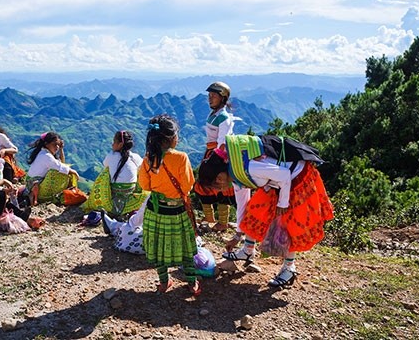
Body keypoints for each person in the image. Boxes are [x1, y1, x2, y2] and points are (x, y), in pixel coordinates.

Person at [197, 134, 334, 287]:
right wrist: (237, 236)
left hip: (296, 178)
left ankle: (289, 269)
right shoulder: (235, 173)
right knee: (255, 209)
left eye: (215, 186)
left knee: (290, 226)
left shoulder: (248, 168)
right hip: (276, 182)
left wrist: (283, 203)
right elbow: (242, 203)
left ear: (219, 177)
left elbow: (284, 175)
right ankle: (248, 250)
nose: (218, 190)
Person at [138, 114, 201, 296]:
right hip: (177, 211)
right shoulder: (181, 158)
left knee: (158, 247)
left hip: (155, 211)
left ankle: (164, 282)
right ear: (172, 138)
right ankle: (191, 282)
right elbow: (188, 186)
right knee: (186, 248)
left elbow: (145, 185)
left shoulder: (149, 158)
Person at [193, 82, 249, 232]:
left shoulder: (223, 117)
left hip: (219, 155)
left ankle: (222, 222)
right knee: (204, 184)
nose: (210, 99)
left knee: (220, 187)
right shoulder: (215, 114)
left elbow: (222, 141)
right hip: (212, 152)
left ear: (222, 98)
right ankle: (210, 217)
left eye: (214, 96)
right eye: (209, 96)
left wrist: (216, 162)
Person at [83, 130, 148, 216]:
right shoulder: (135, 157)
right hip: (131, 197)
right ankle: (131, 209)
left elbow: (105, 164)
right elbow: (142, 166)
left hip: (112, 200)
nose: (112, 144)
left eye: (114, 142)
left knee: (106, 172)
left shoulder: (111, 156)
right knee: (140, 171)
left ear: (120, 144)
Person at [26, 132, 79, 205]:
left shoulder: (44, 152)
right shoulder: (46, 155)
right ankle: (46, 196)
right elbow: (60, 167)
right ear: (46, 144)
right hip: (34, 184)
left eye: (58, 145)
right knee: (58, 173)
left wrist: (61, 149)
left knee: (64, 169)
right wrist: (74, 172)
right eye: (54, 144)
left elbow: (62, 163)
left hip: (32, 183)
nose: (57, 147)